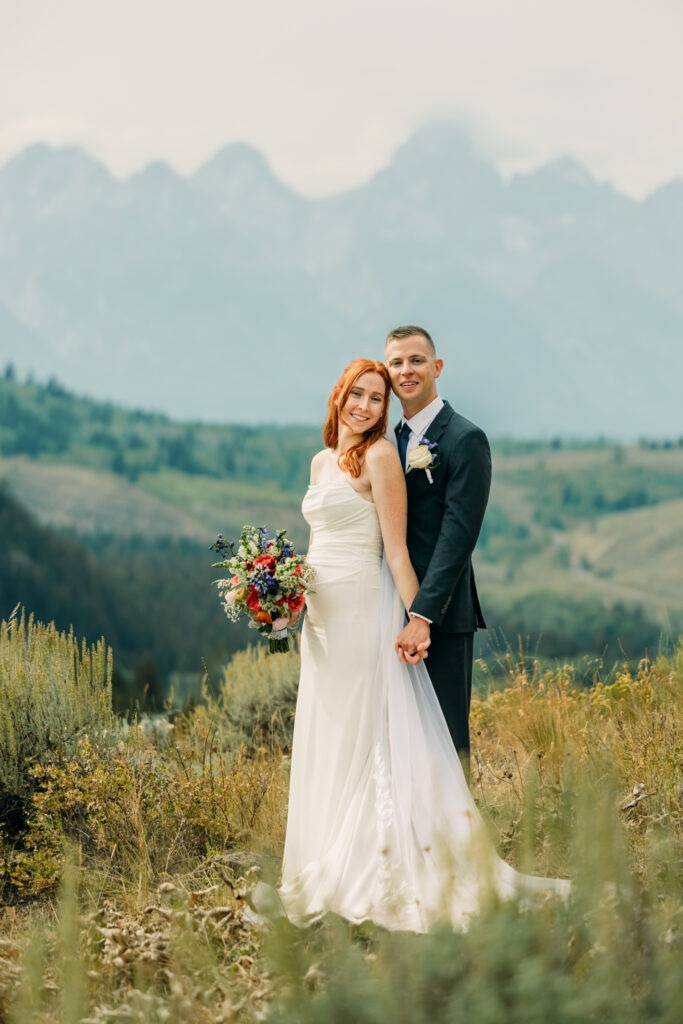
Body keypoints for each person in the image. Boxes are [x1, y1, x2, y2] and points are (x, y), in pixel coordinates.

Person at [278, 357, 569, 932]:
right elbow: (314, 546)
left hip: (363, 609)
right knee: (329, 729)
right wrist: (286, 598)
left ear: (385, 410)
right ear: (338, 396)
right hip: (321, 620)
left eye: (376, 399)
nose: (364, 406)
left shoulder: (383, 458)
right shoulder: (319, 461)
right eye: (356, 395)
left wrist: (420, 620)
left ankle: (370, 862)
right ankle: (322, 848)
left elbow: (395, 553)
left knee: (365, 734)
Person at [386, 326, 490, 782]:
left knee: (446, 741)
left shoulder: (465, 439)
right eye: (396, 363)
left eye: (416, 360)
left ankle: (460, 847)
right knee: (399, 737)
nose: (406, 371)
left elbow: (457, 536)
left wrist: (423, 614)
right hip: (388, 606)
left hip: (440, 616)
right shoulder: (390, 439)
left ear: (437, 367)